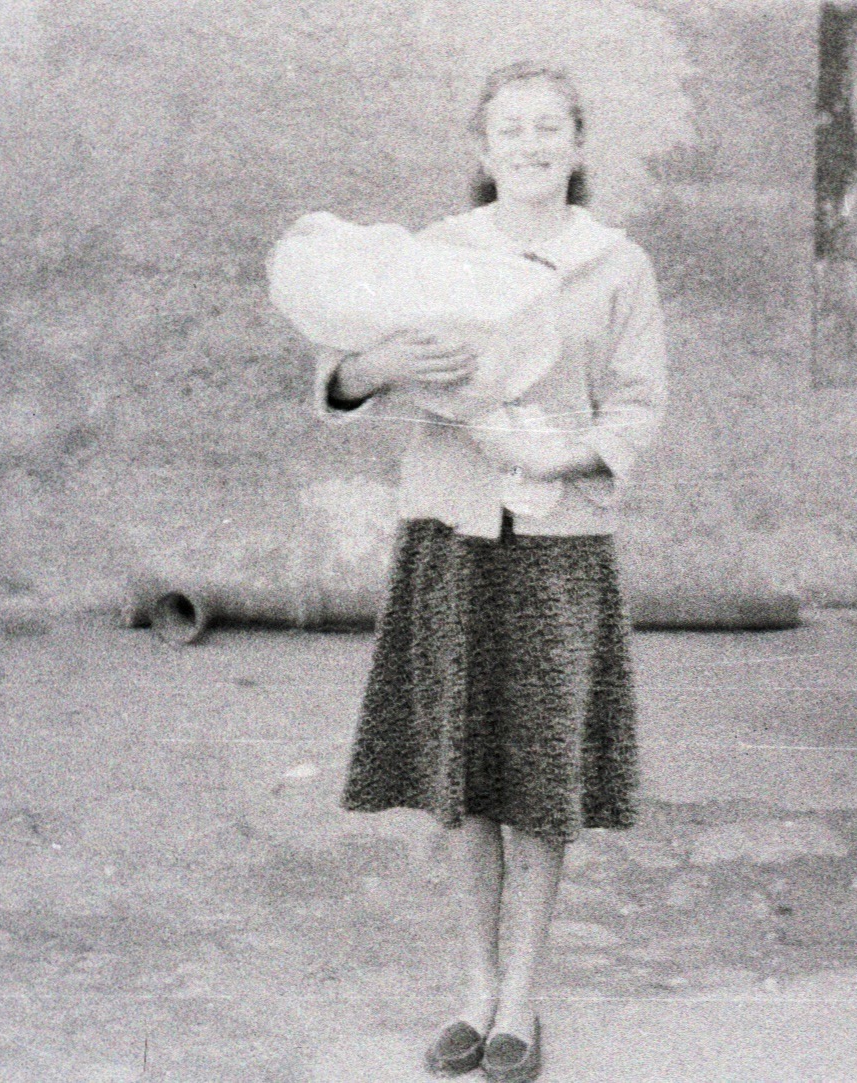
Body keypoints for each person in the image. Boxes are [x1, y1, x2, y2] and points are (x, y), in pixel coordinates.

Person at [312, 61, 668, 1082]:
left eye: (549, 127)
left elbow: (640, 407)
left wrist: (565, 455)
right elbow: (339, 373)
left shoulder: (616, 264)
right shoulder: (437, 254)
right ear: (483, 149)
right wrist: (386, 368)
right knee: (460, 775)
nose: (530, 144)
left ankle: (522, 1000)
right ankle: (472, 990)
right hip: (453, 536)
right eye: (510, 129)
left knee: (541, 781)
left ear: (577, 145)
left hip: (563, 549)